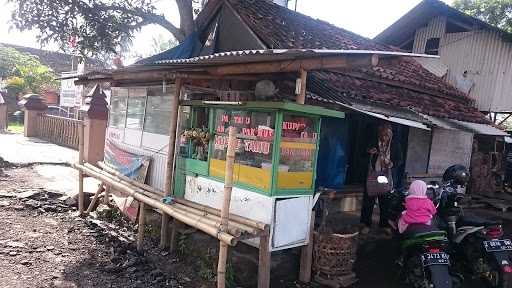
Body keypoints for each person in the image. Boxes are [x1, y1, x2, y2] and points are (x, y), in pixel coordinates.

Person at [360, 123, 403, 234]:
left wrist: (393, 164)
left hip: (386, 175)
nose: (384, 138)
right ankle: (365, 224)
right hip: (373, 175)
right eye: (382, 135)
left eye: (387, 136)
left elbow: (399, 160)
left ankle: (384, 225)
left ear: (391, 135)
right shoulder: (372, 142)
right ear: (379, 134)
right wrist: (369, 152)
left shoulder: (395, 145)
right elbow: (362, 156)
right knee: (368, 200)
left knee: (385, 201)